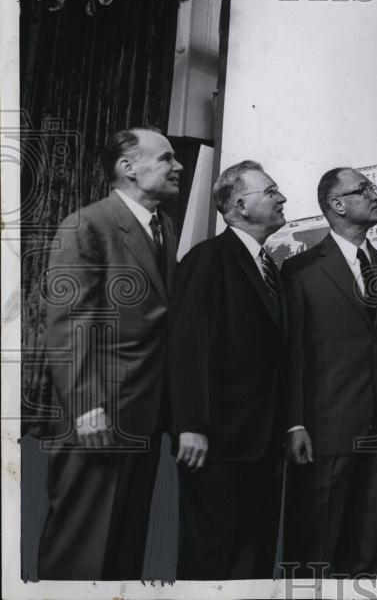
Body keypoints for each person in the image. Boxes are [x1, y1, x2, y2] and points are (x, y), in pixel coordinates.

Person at [37, 127, 182, 580]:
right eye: (166, 158)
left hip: (144, 415)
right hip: (99, 417)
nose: (178, 167)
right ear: (128, 168)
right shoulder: (87, 224)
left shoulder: (165, 227)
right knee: (81, 550)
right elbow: (68, 324)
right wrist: (86, 408)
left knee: (123, 550)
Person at [282, 167, 377, 577]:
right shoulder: (300, 272)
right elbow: (292, 355)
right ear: (337, 204)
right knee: (313, 549)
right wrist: (294, 423)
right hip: (325, 432)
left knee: (368, 552)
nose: (374, 194)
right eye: (363, 189)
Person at [167, 161, 288, 579]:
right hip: (217, 443)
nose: (281, 198)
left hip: (263, 444)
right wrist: (191, 424)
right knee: (210, 559)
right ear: (241, 205)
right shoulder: (207, 259)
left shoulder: (271, 267)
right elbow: (187, 347)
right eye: (271, 191)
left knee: (251, 560)